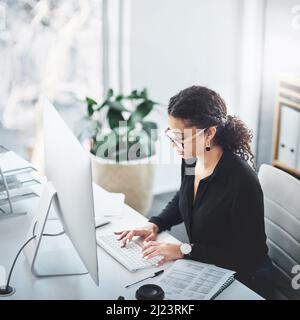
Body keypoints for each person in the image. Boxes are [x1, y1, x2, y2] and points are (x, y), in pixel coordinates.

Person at [115, 86, 275, 299]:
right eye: (171, 134)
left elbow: (246, 257)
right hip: (207, 266)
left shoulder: (241, 181)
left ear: (210, 133)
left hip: (246, 279)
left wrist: (184, 250)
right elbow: (185, 198)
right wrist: (155, 224)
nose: (173, 144)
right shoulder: (191, 159)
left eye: (180, 137)